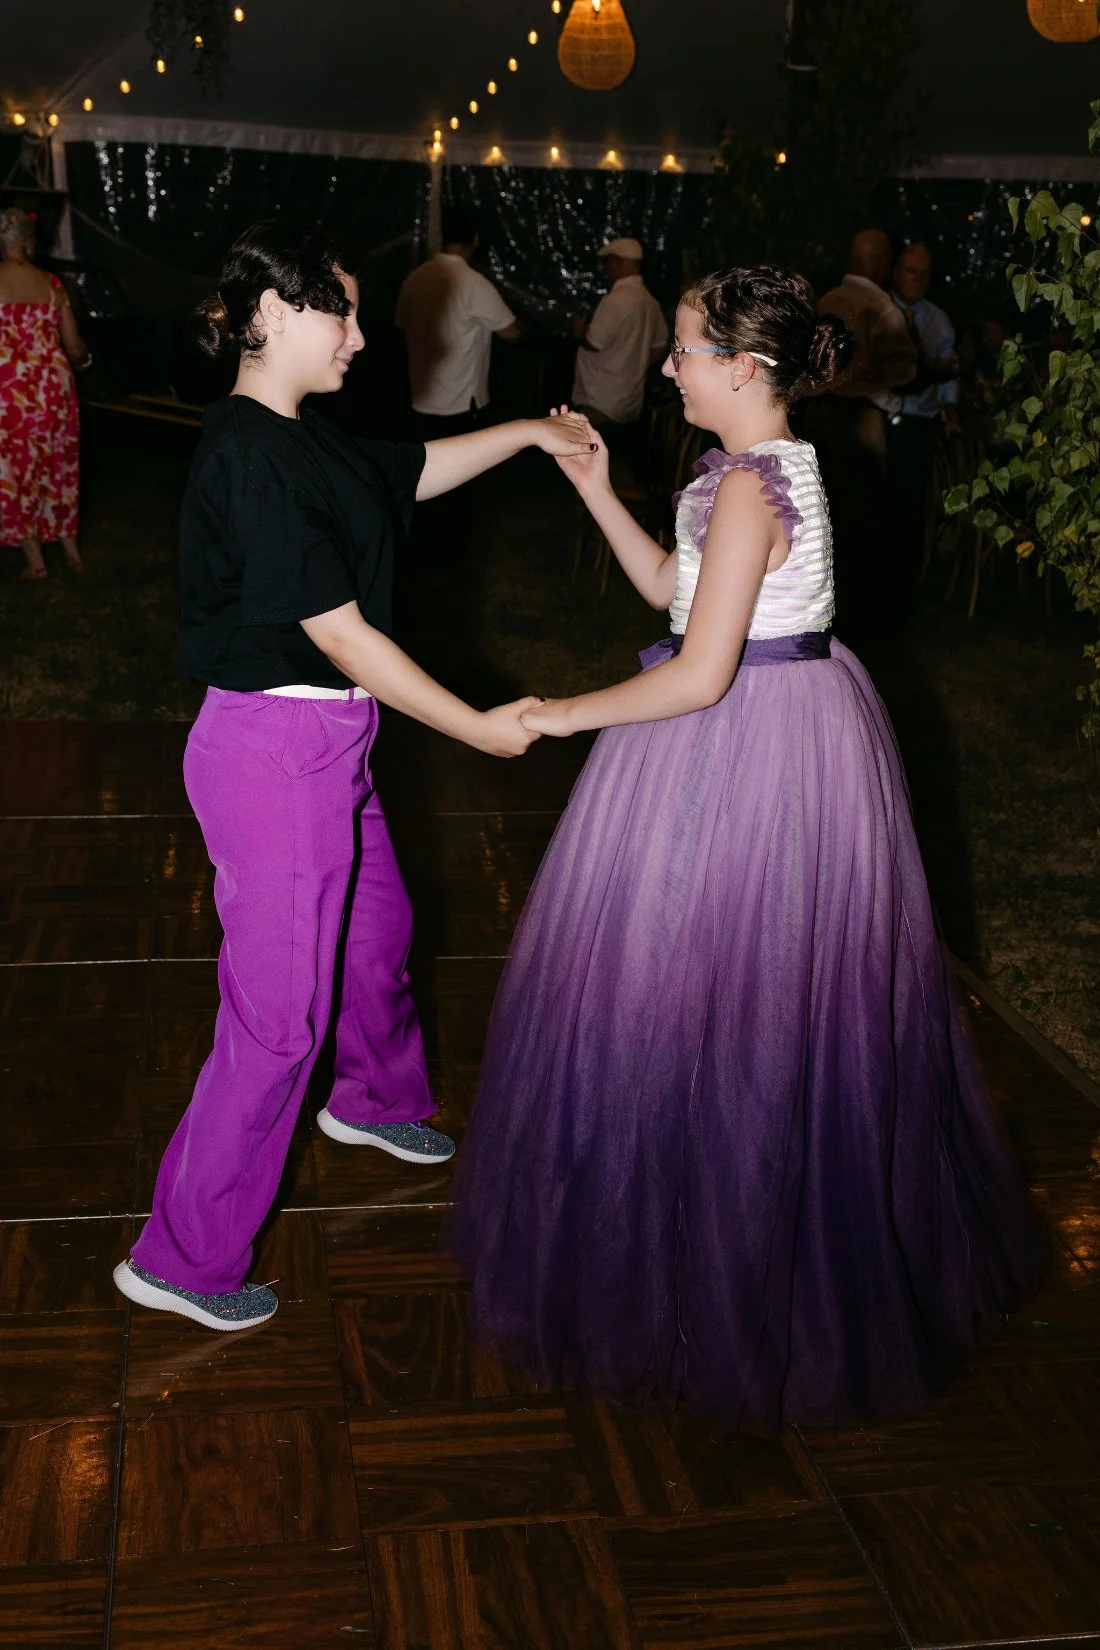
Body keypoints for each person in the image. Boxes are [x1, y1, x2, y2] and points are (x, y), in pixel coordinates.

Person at [449, 264, 1045, 1431]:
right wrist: (594, 487)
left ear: (742, 367)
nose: (668, 366)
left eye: (682, 349)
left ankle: (712, 1272)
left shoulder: (742, 490)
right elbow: (671, 593)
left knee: (708, 1007)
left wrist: (558, 713)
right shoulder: (762, 469)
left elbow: (697, 674)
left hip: (747, 749)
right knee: (734, 1001)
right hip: (784, 721)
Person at [112, 221, 594, 1332]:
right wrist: (475, 728)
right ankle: (182, 1257)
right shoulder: (249, 458)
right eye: (342, 314)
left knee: (377, 932)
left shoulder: (304, 436)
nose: (362, 339)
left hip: (332, 741)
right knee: (278, 1021)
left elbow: (414, 469)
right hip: (275, 754)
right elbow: (339, 634)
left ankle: (371, 1100)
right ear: (272, 315)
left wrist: (531, 433)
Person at [802, 229, 918, 634]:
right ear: (881, 262)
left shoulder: (825, 301)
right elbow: (905, 370)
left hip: (816, 419)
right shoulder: (882, 308)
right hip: (861, 421)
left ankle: (823, 605)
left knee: (821, 514)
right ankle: (861, 613)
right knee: (862, 517)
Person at [0, 207, 88, 580]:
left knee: (15, 468)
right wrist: (85, 361)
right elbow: (74, 346)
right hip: (53, 386)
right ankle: (71, 552)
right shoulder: (52, 284)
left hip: (10, 391)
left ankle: (35, 560)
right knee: (58, 463)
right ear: (27, 242)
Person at [395, 206, 521, 438]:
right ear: (475, 240)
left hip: (420, 400)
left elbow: (401, 325)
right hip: (461, 405)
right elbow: (512, 332)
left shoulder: (414, 279)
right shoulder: (474, 283)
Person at [888, 242, 960, 586]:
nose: (917, 279)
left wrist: (951, 414)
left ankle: (908, 580)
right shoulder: (880, 308)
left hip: (919, 424)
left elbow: (950, 374)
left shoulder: (938, 319)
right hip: (882, 420)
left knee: (913, 506)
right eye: (910, 271)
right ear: (896, 273)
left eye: (924, 274)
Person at [571, 236, 668, 453]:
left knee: (588, 456)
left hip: (601, 398)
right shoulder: (650, 302)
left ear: (617, 263)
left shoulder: (616, 299)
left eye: (609, 264)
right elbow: (660, 345)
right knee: (617, 458)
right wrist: (634, 362)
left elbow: (595, 342)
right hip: (630, 399)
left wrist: (579, 332)